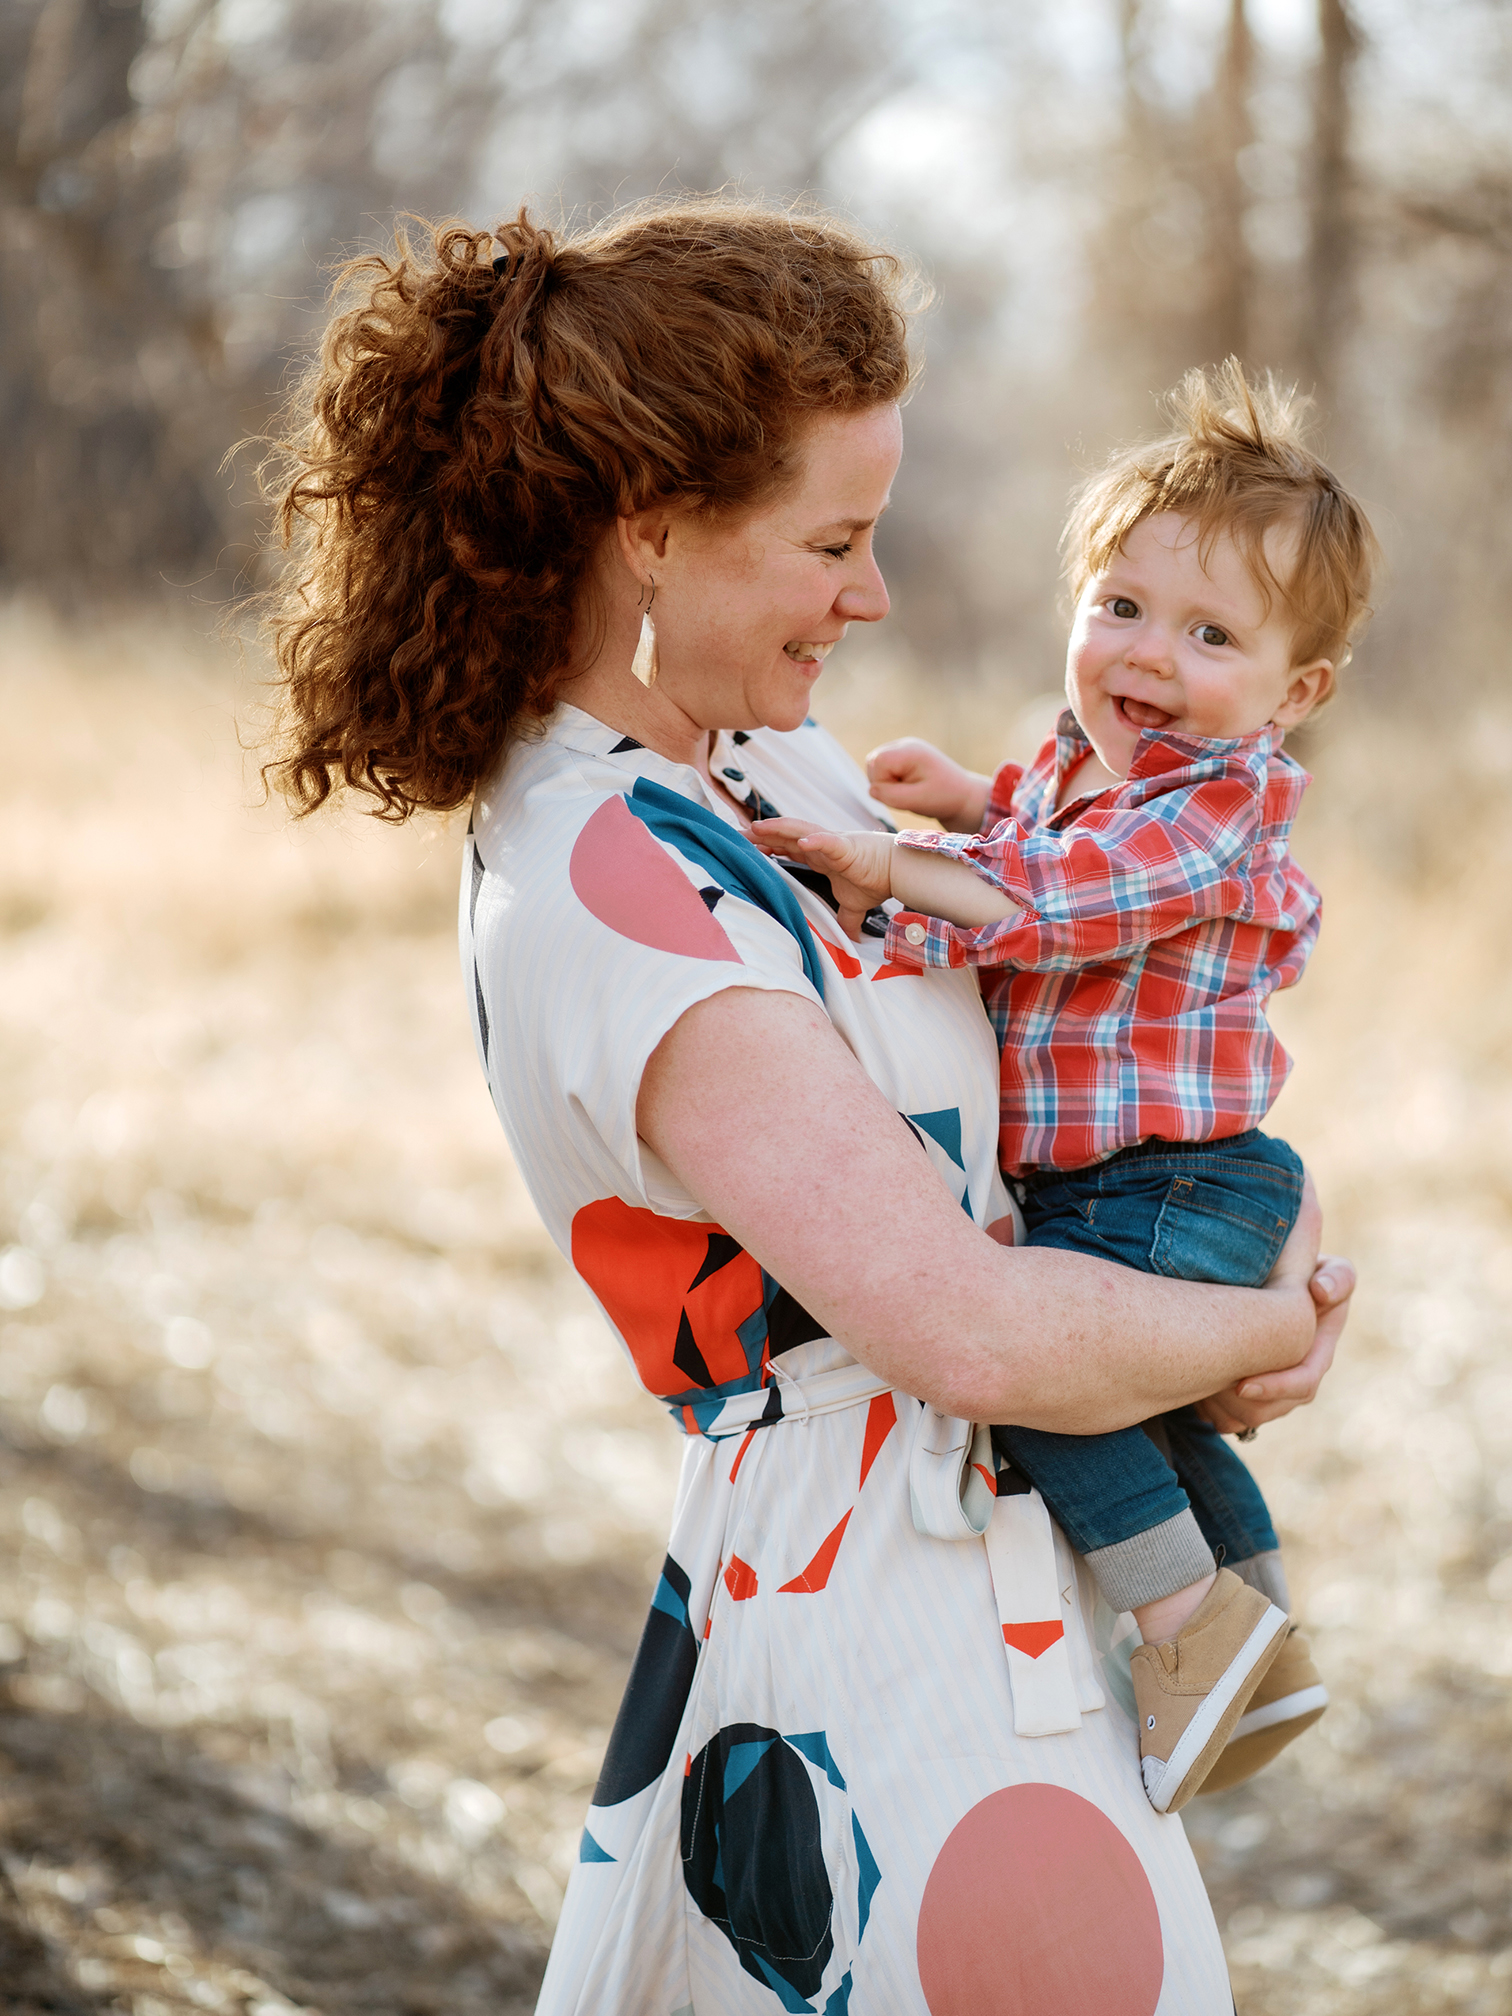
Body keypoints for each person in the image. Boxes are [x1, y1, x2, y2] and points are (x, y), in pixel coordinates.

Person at [264, 198, 1354, 2015]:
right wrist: (1274, 1321)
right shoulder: (611, 881)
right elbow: (972, 1329)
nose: (875, 595)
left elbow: (1073, 1053)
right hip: (882, 1620)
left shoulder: (760, 756)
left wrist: (1267, 1243)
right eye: (833, 541)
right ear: (655, 532)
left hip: (1008, 1568)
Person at [752, 364, 1378, 1814]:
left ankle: (1181, 1631)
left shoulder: (1224, 803)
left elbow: (1072, 905)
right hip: (1142, 1173)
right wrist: (969, 805)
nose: (1149, 653)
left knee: (1047, 1377)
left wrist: (890, 866)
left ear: (1297, 692)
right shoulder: (1087, 763)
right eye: (1122, 607)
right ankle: (1253, 1625)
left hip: (1171, 1182)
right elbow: (1047, 840)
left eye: (1212, 634)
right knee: (1144, 1410)